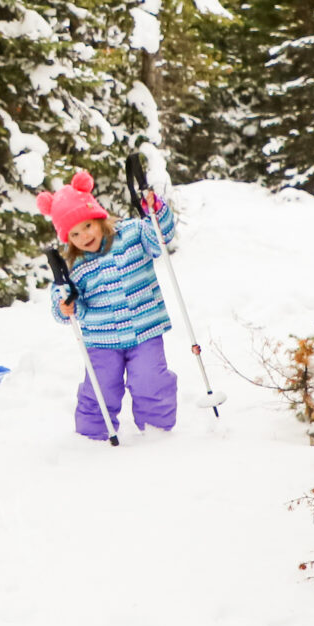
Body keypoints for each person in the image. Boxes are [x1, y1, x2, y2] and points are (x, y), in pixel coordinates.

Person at [38, 169, 180, 441]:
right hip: (101, 339)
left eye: (87, 226)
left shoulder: (133, 233)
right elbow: (65, 298)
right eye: (75, 234)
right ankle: (92, 437)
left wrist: (156, 211)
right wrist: (65, 305)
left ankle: (157, 433)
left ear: (99, 217)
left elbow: (159, 237)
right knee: (100, 388)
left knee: (150, 380)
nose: (84, 237)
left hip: (144, 330)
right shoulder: (74, 266)